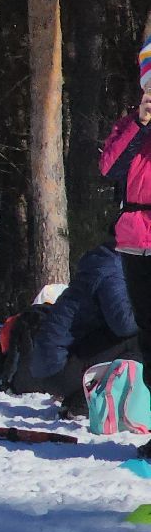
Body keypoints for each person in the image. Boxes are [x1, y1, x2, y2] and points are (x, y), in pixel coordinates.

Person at [4, 243, 140, 416]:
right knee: (139, 340)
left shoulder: (107, 261)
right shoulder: (112, 268)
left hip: (47, 365)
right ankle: (86, 400)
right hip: (56, 370)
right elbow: (125, 324)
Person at [100, 37, 151, 342]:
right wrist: (140, 124)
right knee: (145, 328)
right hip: (136, 239)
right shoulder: (128, 126)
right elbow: (110, 168)